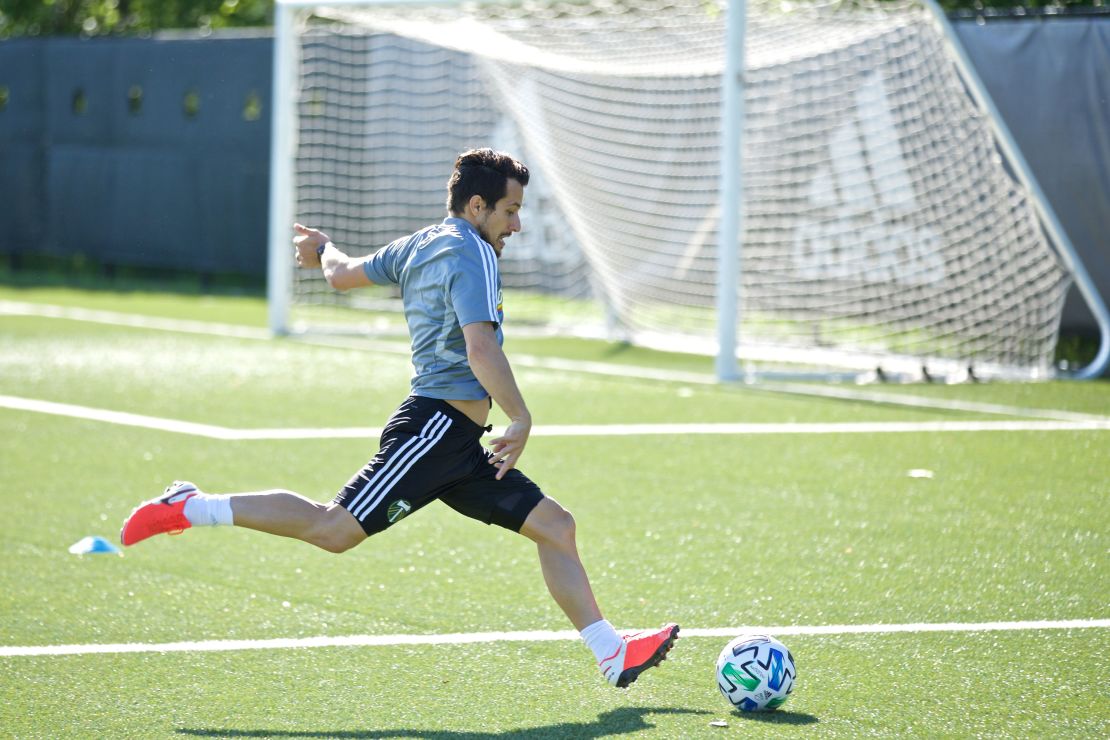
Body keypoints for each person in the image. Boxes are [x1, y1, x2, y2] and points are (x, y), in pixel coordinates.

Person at [120, 148, 678, 688]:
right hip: (434, 431)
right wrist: (521, 416)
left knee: (556, 527)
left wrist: (323, 249)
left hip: (458, 443)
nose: (517, 225)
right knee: (332, 530)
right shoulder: (472, 251)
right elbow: (480, 347)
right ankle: (191, 506)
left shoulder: (419, 244)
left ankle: (611, 653)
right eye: (510, 211)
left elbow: (341, 275)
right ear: (477, 206)